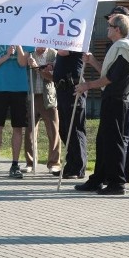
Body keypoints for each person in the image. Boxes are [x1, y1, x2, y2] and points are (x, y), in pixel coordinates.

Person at [74, 14, 129, 195]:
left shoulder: (124, 49)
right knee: (103, 141)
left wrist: (87, 85)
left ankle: (117, 183)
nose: (107, 28)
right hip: (111, 99)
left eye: (110, 25)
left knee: (114, 142)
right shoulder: (119, 48)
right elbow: (109, 73)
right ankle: (98, 178)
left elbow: (111, 78)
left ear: (117, 29)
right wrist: (92, 61)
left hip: (117, 100)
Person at [104, 6, 129, 183]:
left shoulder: (128, 38)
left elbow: (117, 73)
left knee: (125, 131)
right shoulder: (128, 37)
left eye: (113, 18)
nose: (109, 21)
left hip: (127, 85)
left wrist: (89, 84)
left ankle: (124, 173)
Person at [0, 44, 34, 179]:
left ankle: (15, 165)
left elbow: (22, 63)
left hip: (20, 89)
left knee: (18, 128)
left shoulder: (26, 40)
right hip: (0, 88)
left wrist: (18, 46)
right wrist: (6, 56)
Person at [24, 46, 61, 174]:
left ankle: (54, 163)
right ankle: (30, 162)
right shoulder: (29, 53)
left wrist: (36, 67)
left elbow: (53, 76)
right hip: (32, 95)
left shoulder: (54, 54)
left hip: (49, 97)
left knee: (53, 130)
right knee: (30, 131)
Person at [52, 50, 86, 179]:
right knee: (65, 130)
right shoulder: (64, 42)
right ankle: (70, 165)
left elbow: (63, 52)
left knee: (74, 129)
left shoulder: (73, 42)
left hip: (73, 89)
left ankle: (78, 168)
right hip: (63, 90)